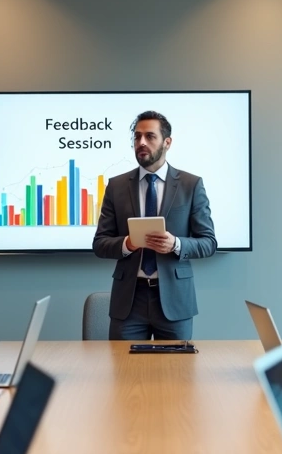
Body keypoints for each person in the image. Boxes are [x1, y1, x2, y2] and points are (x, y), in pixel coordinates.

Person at [92, 110, 218, 340]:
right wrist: (127, 244)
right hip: (129, 300)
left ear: (167, 142)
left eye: (150, 136)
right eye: (137, 137)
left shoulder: (191, 185)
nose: (141, 143)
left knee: (176, 373)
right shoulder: (116, 186)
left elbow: (208, 243)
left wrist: (176, 244)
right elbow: (100, 244)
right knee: (124, 372)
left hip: (174, 300)